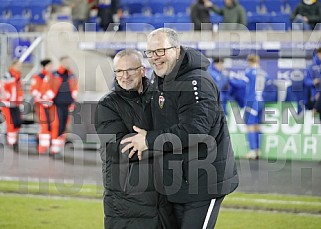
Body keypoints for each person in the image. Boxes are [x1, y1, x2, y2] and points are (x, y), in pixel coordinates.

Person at [121, 28, 239, 229]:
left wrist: (148, 141)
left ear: (176, 49)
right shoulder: (161, 78)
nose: (154, 58)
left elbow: (194, 132)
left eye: (160, 51)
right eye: (150, 52)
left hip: (204, 183)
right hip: (177, 182)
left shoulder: (197, 83)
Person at [95, 49, 178, 229]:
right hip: (126, 201)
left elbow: (177, 134)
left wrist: (148, 140)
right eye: (119, 71)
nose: (124, 76)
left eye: (130, 70)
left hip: (163, 200)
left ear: (142, 70)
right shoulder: (107, 105)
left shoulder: (160, 96)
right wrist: (163, 141)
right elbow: (123, 149)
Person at [41, 56, 78, 159]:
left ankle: (57, 149)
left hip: (67, 104)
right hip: (56, 105)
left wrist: (72, 102)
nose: (67, 63)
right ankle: (54, 150)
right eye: (65, 61)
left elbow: (74, 89)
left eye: (68, 61)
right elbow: (46, 87)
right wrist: (48, 100)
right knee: (57, 127)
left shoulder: (71, 75)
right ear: (61, 62)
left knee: (62, 128)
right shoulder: (53, 74)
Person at [243, 54, 269, 160]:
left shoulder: (249, 72)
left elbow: (242, 86)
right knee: (257, 126)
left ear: (249, 61)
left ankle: (252, 150)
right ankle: (258, 150)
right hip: (261, 101)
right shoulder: (265, 73)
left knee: (250, 125)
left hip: (252, 101)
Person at [30, 59, 54, 155]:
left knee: (50, 125)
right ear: (44, 66)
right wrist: (43, 95)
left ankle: (45, 145)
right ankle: (42, 148)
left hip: (50, 105)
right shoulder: (38, 77)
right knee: (44, 125)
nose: (51, 67)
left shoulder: (52, 77)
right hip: (41, 104)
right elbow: (34, 91)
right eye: (49, 65)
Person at [1, 60, 23, 152]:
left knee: (17, 123)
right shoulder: (8, 75)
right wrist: (7, 97)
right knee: (10, 123)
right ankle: (12, 142)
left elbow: (19, 90)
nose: (19, 67)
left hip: (16, 103)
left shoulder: (18, 76)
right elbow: (2, 87)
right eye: (18, 65)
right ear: (13, 65)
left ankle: (13, 140)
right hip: (7, 104)